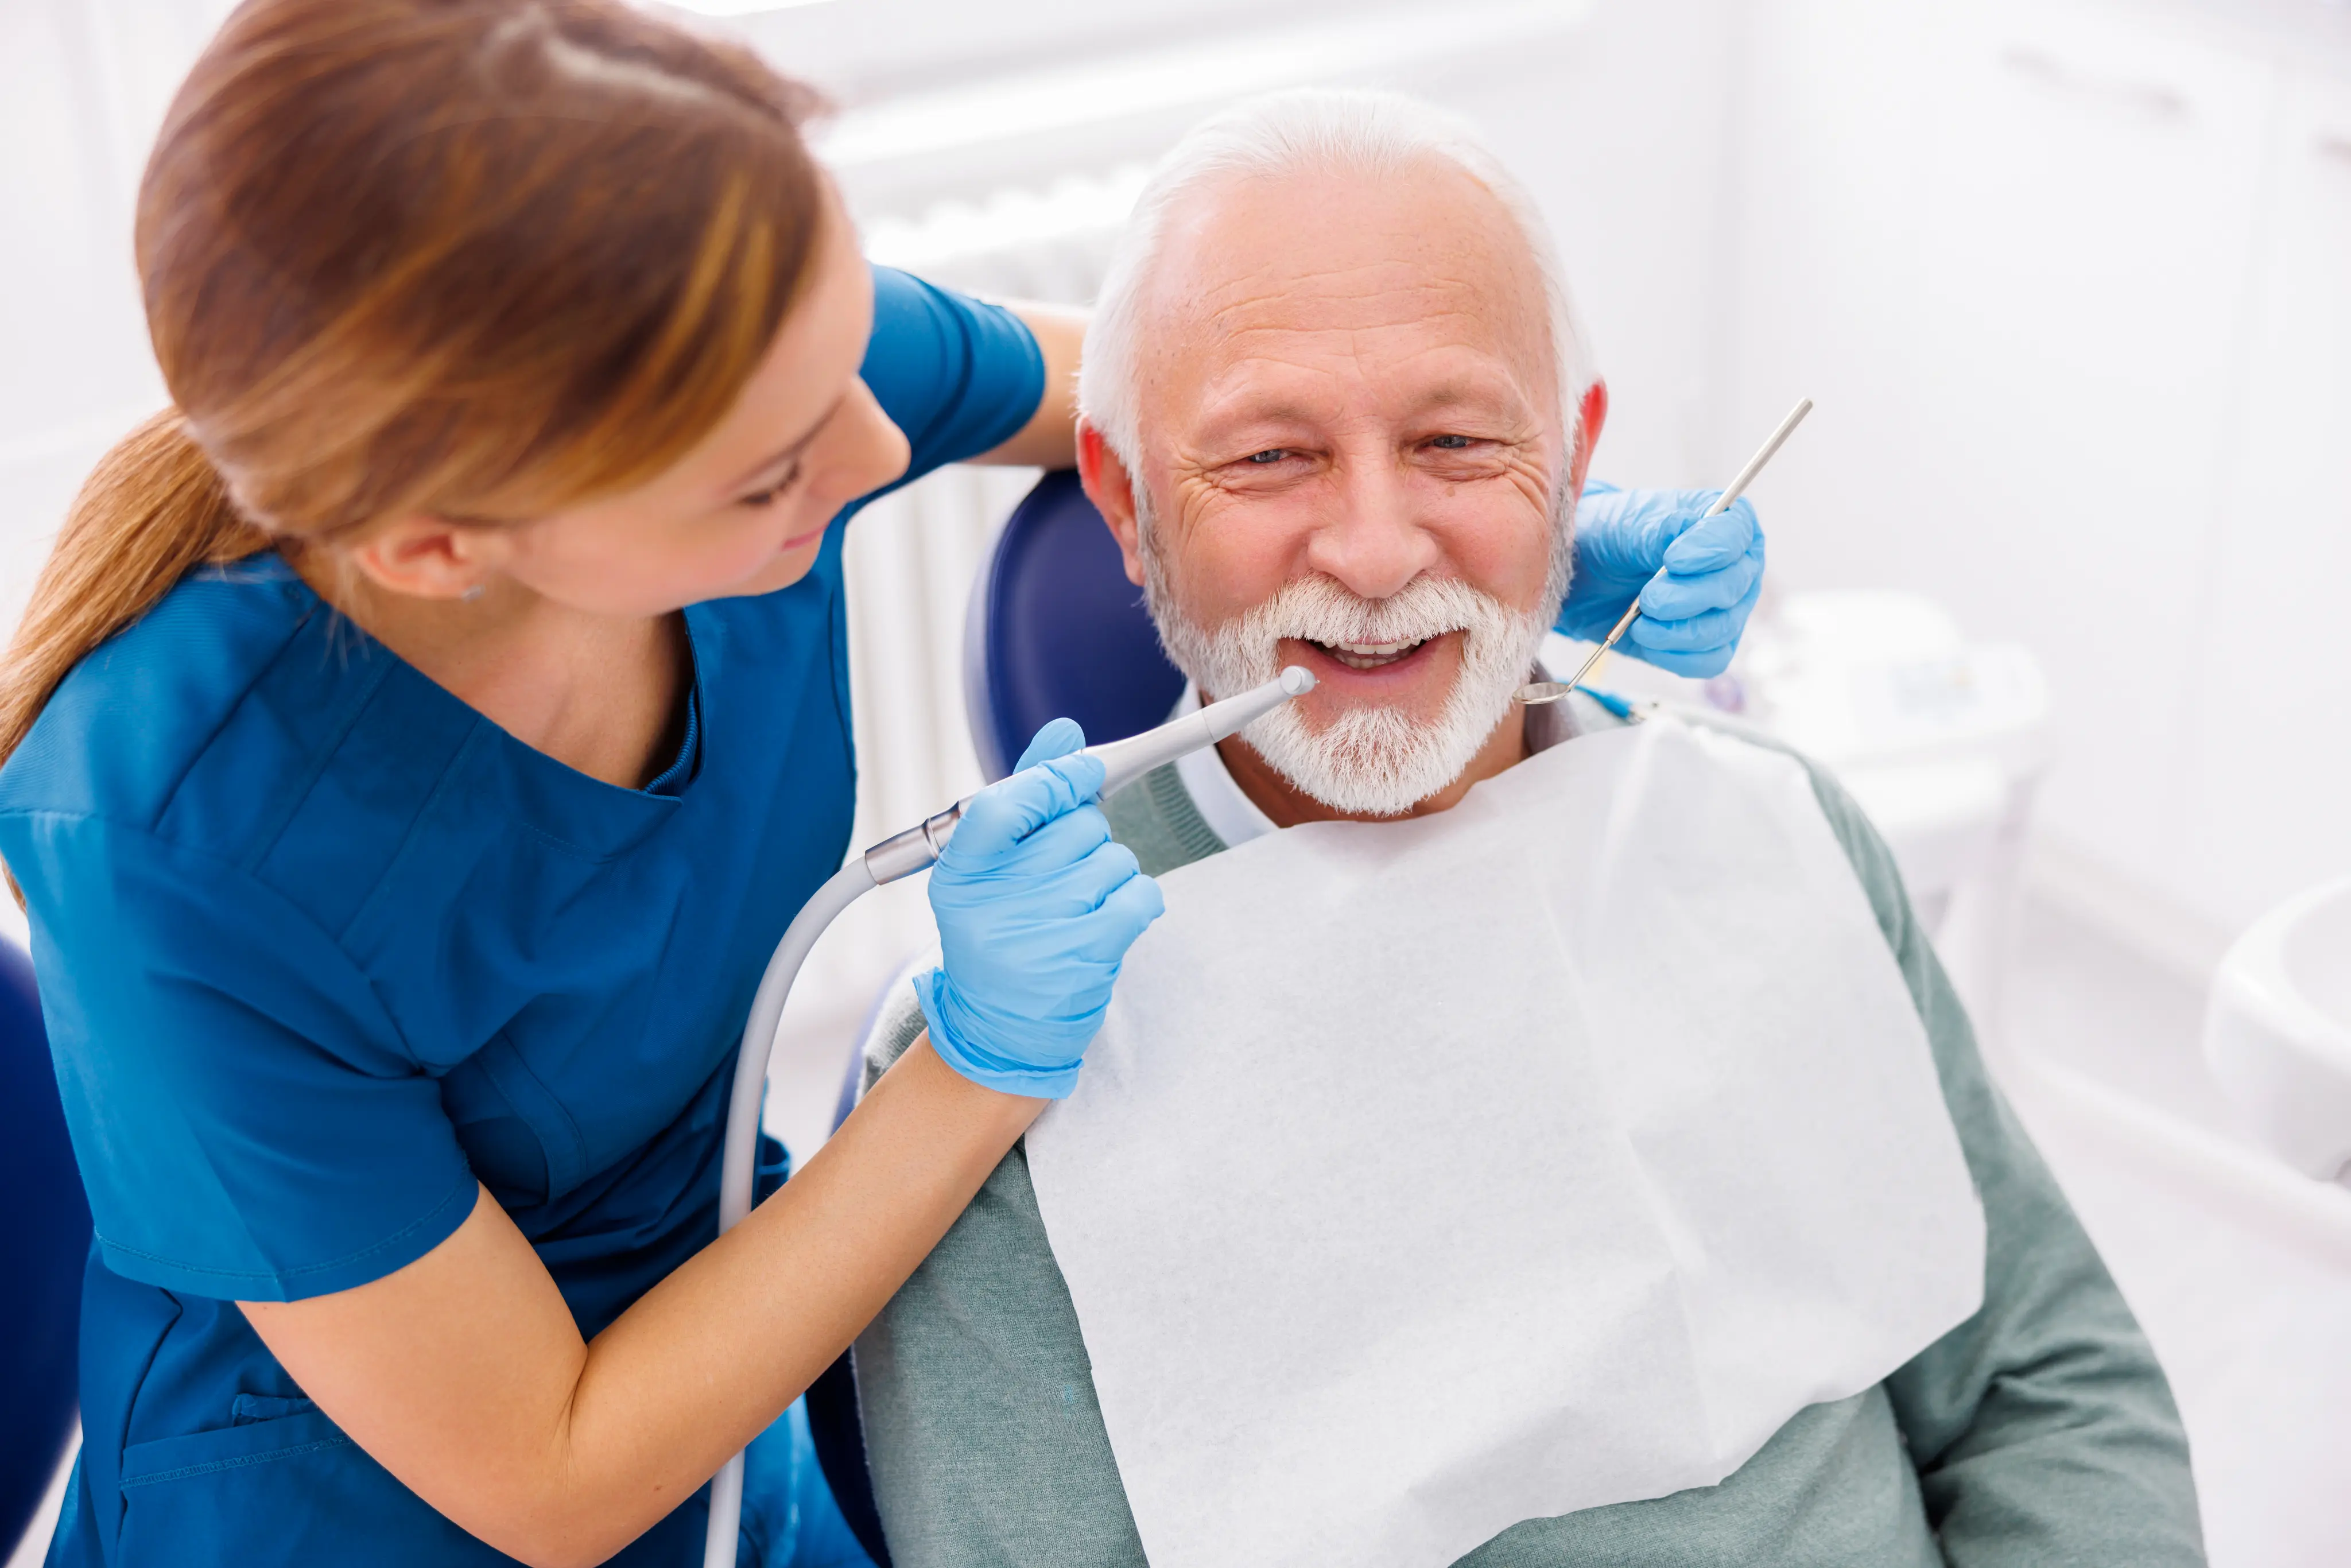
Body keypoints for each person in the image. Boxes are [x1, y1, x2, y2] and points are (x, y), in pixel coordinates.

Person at [0, 7, 1766, 1568]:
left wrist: (1468, 547)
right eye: (780, 467)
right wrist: (975, 1068)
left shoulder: (749, 339)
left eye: (848, 356)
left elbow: (1160, 402)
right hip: (382, 1506)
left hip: (741, 1356)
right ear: (446, 544)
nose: (871, 459)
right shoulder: (166, 840)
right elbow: (550, 1475)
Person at [849, 88, 2207, 1567]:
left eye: (1455, 443)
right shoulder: (983, 1081)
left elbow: (2052, 1388)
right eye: (1269, 459)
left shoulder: (1776, 835)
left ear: (1573, 466)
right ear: (1124, 499)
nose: (1374, 554)